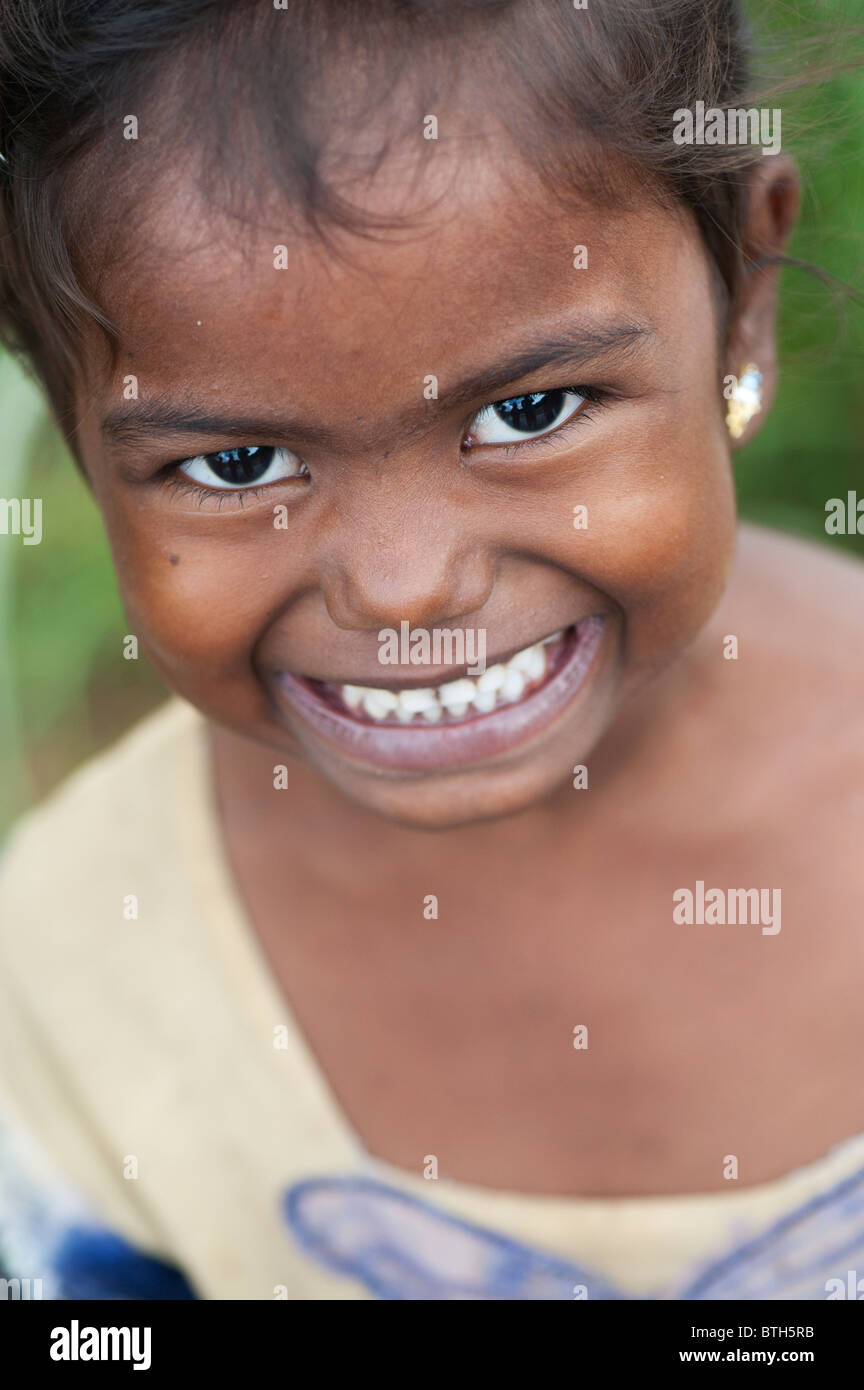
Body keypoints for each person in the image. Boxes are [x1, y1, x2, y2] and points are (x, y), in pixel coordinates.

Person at [0, 0, 862, 1300]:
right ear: (72, 426)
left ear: (741, 303)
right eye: (239, 463)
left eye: (530, 411)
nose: (404, 589)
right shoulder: (62, 996)